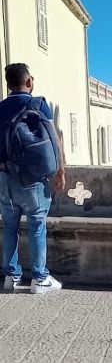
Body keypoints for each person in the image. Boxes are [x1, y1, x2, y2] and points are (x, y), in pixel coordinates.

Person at [0, 63, 65, 294]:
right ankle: (40, 278)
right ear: (29, 82)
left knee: (9, 227)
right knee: (37, 226)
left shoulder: (0, 108)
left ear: (8, 84)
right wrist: (60, 171)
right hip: (33, 179)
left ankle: (11, 277)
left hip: (5, 178)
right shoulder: (38, 105)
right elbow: (55, 140)